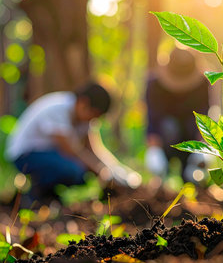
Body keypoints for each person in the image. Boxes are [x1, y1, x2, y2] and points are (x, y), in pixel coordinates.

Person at [5, 81, 140, 204]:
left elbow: (95, 150)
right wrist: (102, 173)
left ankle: (47, 196)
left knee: (80, 172)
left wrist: (120, 173)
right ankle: (33, 195)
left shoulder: (84, 120)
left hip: (49, 154)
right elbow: (71, 150)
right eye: (94, 114)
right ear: (83, 103)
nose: (93, 120)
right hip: (25, 155)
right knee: (73, 170)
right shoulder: (59, 109)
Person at [144, 47, 210, 181]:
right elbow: (152, 117)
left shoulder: (202, 84)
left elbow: (204, 116)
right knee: (169, 127)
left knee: (193, 178)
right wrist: (154, 150)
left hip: (191, 137)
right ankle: (161, 178)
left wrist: (202, 149)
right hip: (165, 138)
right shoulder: (154, 85)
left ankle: (191, 177)